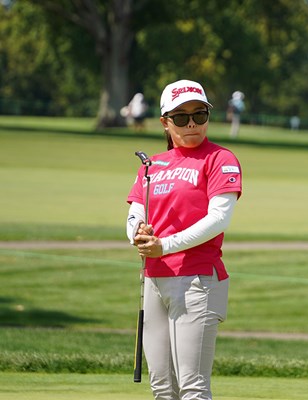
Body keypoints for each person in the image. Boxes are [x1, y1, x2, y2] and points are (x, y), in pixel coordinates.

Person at [126, 79, 242, 400]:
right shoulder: (152, 165)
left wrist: (165, 245)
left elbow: (219, 218)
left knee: (192, 387)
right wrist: (138, 234)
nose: (191, 123)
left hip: (197, 280)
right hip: (154, 280)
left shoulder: (220, 158)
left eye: (199, 114)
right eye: (180, 117)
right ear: (165, 122)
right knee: (162, 388)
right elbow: (136, 213)